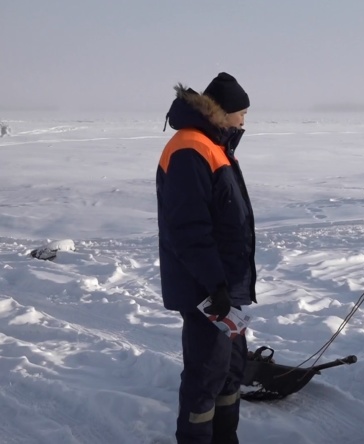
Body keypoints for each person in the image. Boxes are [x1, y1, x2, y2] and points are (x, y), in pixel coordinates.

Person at [156, 72, 256, 444]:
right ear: (222, 112)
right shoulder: (190, 148)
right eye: (241, 113)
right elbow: (190, 228)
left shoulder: (213, 145)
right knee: (206, 374)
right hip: (206, 289)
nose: (244, 121)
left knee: (230, 371)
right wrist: (215, 284)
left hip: (226, 288)